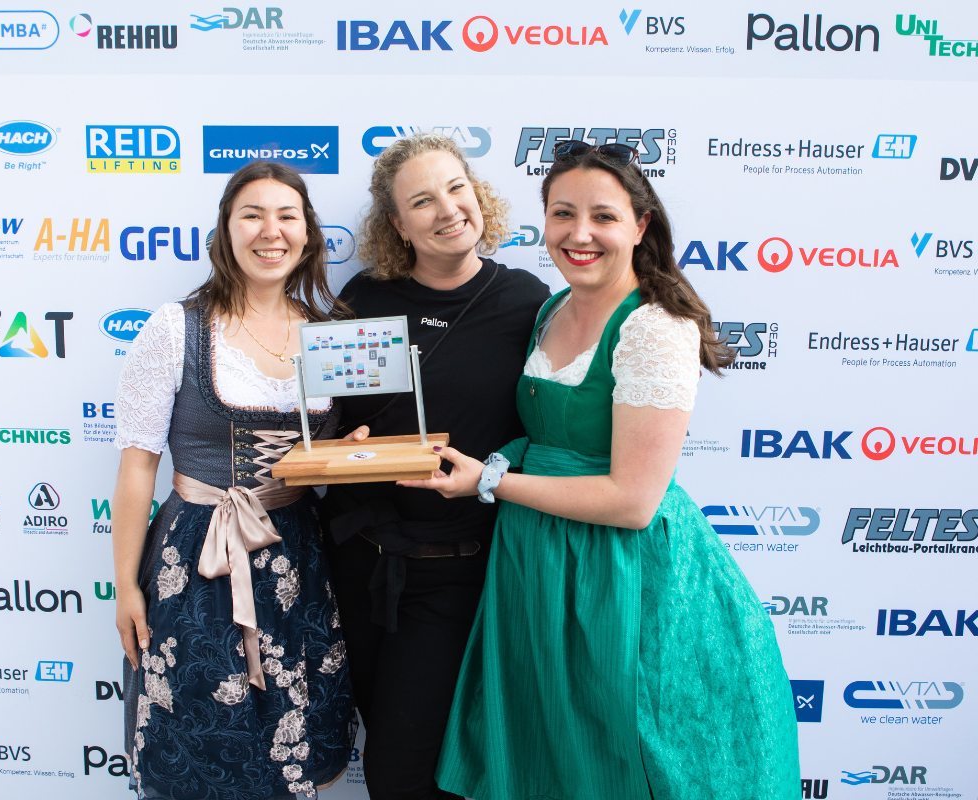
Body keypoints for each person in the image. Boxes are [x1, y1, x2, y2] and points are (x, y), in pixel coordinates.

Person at [401, 142, 801, 800]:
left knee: (620, 748)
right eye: (563, 213)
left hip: (621, 574)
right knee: (550, 752)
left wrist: (490, 483)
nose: (579, 233)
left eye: (603, 217)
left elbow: (632, 501)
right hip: (537, 561)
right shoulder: (551, 308)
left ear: (640, 226)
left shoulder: (653, 327)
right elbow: (548, 436)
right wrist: (492, 459)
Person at [111, 161, 354, 800]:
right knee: (200, 728)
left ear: (307, 234)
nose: (270, 231)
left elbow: (325, 458)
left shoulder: (330, 335)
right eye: (252, 215)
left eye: (287, 216)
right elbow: (138, 465)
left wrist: (353, 451)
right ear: (226, 231)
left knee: (293, 729)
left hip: (296, 554)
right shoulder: (176, 328)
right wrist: (124, 587)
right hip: (196, 555)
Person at [323, 133, 551, 799]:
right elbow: (329, 419)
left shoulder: (527, 303)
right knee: (393, 746)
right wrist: (343, 442)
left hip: (457, 570)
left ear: (478, 196)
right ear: (398, 225)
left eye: (456, 188)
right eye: (422, 201)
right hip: (358, 565)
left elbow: (547, 429)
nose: (448, 208)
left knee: (401, 769)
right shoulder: (364, 298)